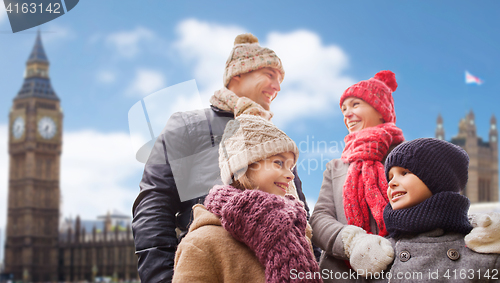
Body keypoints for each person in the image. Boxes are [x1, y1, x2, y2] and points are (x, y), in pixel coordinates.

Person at [132, 33, 311, 283]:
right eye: (270, 75)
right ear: (237, 74)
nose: (277, 87)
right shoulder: (187, 125)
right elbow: (155, 202)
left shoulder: (276, 141)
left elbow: (301, 212)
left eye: (280, 80)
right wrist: (162, 278)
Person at [172, 114, 320, 283]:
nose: (290, 175)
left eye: (291, 167)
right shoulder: (201, 244)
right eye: (279, 163)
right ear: (242, 166)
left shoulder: (298, 234)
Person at [310, 70, 404, 282]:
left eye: (355, 105)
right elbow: (320, 218)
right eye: (343, 109)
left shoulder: (408, 156)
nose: (347, 114)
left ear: (381, 110)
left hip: (398, 270)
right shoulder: (335, 166)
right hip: (341, 274)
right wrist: (353, 243)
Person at [372, 138, 500, 282]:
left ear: (439, 180)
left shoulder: (484, 252)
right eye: (390, 177)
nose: (392, 183)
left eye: (405, 172)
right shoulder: (378, 253)